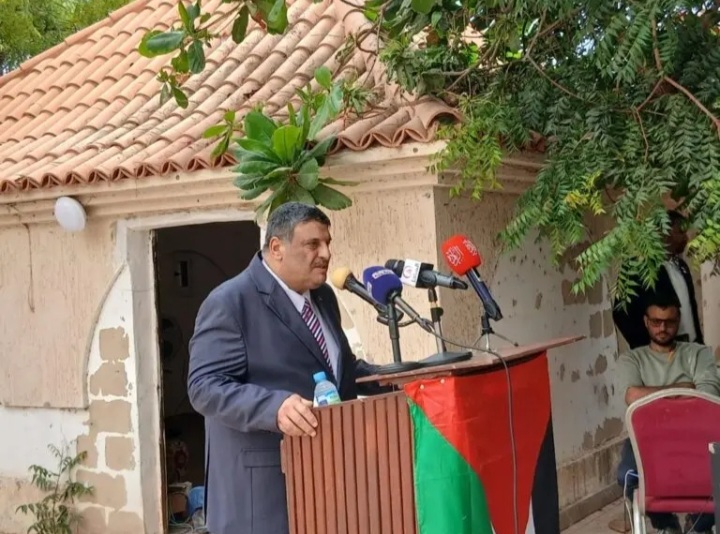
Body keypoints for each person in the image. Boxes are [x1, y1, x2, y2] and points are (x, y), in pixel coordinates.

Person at [187, 202, 386, 534]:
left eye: (327, 243)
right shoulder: (231, 302)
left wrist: (401, 378)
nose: (326, 254)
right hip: (262, 494)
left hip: (327, 482)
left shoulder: (323, 297)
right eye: (313, 244)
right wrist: (274, 407)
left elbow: (341, 371)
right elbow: (204, 387)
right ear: (277, 247)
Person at [616, 291, 719, 534]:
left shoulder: (698, 353)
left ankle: (698, 525)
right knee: (627, 476)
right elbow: (632, 396)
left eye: (669, 322)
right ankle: (666, 525)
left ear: (678, 320)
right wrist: (684, 388)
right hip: (647, 441)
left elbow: (707, 395)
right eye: (656, 321)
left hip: (697, 438)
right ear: (646, 321)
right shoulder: (632, 359)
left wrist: (653, 398)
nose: (662, 328)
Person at [613, 210, 704, 349]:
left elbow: (691, 308)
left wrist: (699, 343)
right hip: (659, 351)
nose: (686, 238)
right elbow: (621, 314)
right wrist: (648, 347)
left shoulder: (681, 266)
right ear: (664, 233)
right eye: (681, 232)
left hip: (690, 347)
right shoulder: (636, 266)